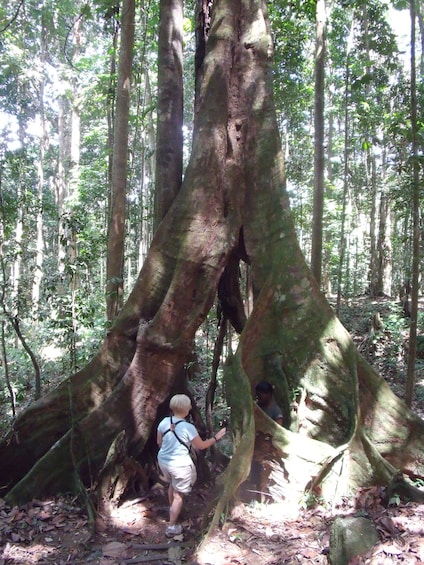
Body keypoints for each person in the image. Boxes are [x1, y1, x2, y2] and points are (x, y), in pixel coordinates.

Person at [157, 394, 226, 537]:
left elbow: (159, 442)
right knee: (178, 495)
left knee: (172, 484)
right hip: (179, 465)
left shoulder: (164, 422)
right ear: (187, 410)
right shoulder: (188, 428)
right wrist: (216, 437)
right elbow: (201, 446)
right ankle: (172, 527)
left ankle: (173, 511)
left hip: (163, 461)